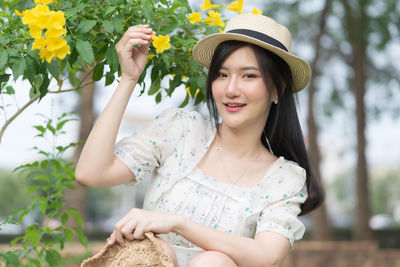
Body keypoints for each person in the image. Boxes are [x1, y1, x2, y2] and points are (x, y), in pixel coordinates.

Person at [76, 13, 324, 267]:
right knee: (152, 251)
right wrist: (128, 79)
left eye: (249, 76)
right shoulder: (182, 131)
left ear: (277, 88)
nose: (230, 89)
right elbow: (91, 173)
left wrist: (178, 224)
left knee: (214, 262)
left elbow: (266, 255)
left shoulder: (283, 178)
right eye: (222, 74)